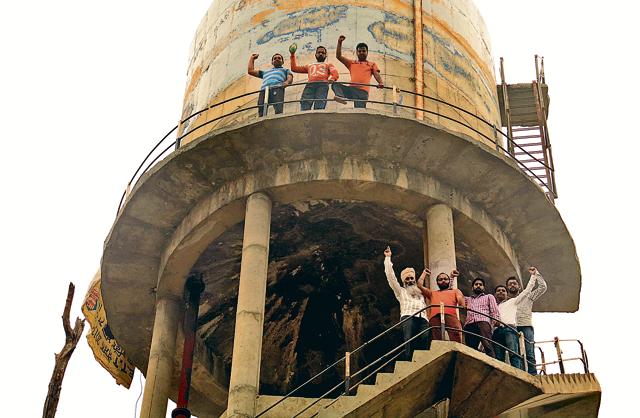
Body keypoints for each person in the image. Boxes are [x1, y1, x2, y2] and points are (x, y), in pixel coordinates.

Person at [383, 246, 429, 360]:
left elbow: (423, 285)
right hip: (408, 317)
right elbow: (391, 278)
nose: (409, 281)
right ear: (404, 281)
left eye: (411, 278)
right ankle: (409, 360)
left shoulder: (421, 293)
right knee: (409, 340)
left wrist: (423, 274)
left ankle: (422, 361)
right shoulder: (401, 292)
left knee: (425, 338)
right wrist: (388, 258)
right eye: (407, 279)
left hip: (423, 318)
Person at [492, 267, 539, 369]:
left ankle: (518, 372)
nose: (501, 292)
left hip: (509, 329)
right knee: (498, 357)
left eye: (503, 290)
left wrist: (534, 276)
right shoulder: (496, 307)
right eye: (498, 291)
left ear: (507, 293)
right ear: (495, 295)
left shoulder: (513, 301)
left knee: (514, 353)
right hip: (497, 331)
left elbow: (527, 290)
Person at [507, 267, 547, 375]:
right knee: (515, 352)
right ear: (507, 287)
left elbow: (543, 287)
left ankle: (533, 374)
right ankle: (519, 374)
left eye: (514, 283)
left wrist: (536, 274)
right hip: (512, 327)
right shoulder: (507, 302)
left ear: (519, 286)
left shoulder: (528, 296)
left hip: (526, 326)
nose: (512, 285)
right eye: (510, 284)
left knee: (529, 352)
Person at [332, 35, 384, 108]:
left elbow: (376, 74)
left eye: (363, 51)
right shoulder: (351, 63)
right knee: (335, 84)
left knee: (360, 112)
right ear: (356, 52)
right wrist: (339, 42)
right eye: (359, 51)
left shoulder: (371, 64)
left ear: (367, 52)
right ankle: (340, 96)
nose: (361, 52)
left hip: (362, 92)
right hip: (351, 90)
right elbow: (338, 56)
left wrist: (380, 83)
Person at [416, 269, 465, 343]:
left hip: (451, 315)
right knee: (436, 340)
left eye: (445, 279)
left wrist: (462, 304)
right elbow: (419, 285)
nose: (443, 281)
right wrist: (424, 273)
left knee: (456, 335)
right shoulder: (432, 293)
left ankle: (456, 353)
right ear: (437, 282)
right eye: (440, 279)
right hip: (435, 316)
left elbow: (460, 298)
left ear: (449, 281)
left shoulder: (455, 291)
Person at [290, 45, 339, 110]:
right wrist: (292, 54)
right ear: (315, 54)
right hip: (310, 85)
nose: (320, 54)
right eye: (319, 52)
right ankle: (305, 118)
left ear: (326, 55)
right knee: (305, 103)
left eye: (323, 53)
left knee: (320, 103)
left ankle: (318, 118)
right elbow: (294, 68)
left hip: (322, 85)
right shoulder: (309, 65)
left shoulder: (328, 64)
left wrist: (332, 79)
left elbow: (335, 73)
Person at [463, 277, 500, 358]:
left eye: (481, 284)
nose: (478, 286)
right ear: (472, 287)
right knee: (470, 350)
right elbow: (453, 294)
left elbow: (494, 311)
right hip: (470, 324)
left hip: (483, 322)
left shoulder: (488, 297)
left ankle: (492, 366)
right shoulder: (467, 299)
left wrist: (492, 325)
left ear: (484, 287)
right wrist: (452, 278)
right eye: (476, 284)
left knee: (488, 346)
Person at [247, 52, 293, 116]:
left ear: (282, 62)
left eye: (279, 58)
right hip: (264, 90)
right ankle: (261, 121)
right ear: (272, 62)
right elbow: (250, 71)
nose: (277, 59)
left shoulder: (285, 70)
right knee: (261, 107)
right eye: (275, 58)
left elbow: (290, 77)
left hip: (277, 88)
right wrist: (252, 59)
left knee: (278, 107)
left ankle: (278, 121)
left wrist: (286, 82)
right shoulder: (265, 72)